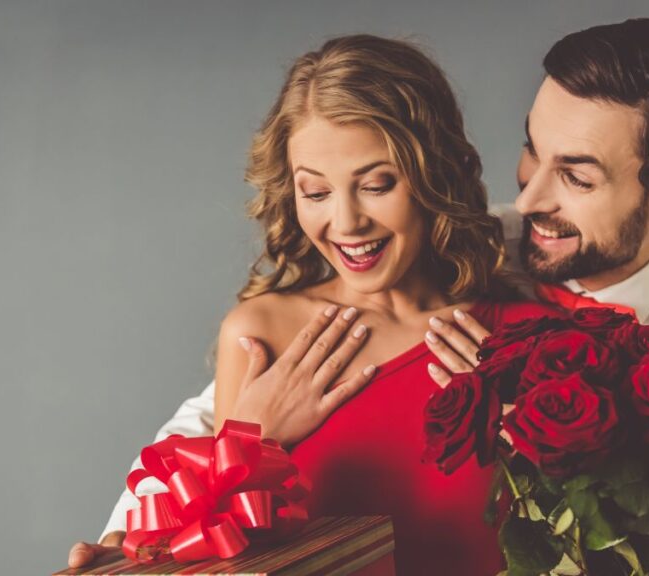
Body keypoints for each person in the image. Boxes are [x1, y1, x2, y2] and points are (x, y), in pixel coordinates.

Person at [77, 18, 649, 576]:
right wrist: (134, 544)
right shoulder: (486, 247)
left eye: (578, 177)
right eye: (531, 149)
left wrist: (544, 446)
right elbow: (218, 422)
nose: (527, 197)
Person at [68, 34, 560, 575]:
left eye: (376, 185)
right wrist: (249, 441)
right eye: (317, 192)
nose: (346, 223)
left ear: (435, 174)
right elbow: (220, 558)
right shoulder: (263, 334)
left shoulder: (525, 334)